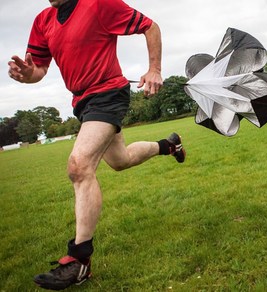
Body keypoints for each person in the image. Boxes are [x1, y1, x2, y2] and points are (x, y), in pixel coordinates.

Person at [8, 0, 186, 290]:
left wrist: (155, 68)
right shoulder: (43, 21)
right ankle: (169, 145)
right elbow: (39, 68)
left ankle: (80, 261)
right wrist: (28, 76)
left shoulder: (99, 4)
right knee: (121, 160)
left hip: (109, 94)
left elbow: (150, 26)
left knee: (79, 166)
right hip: (82, 102)